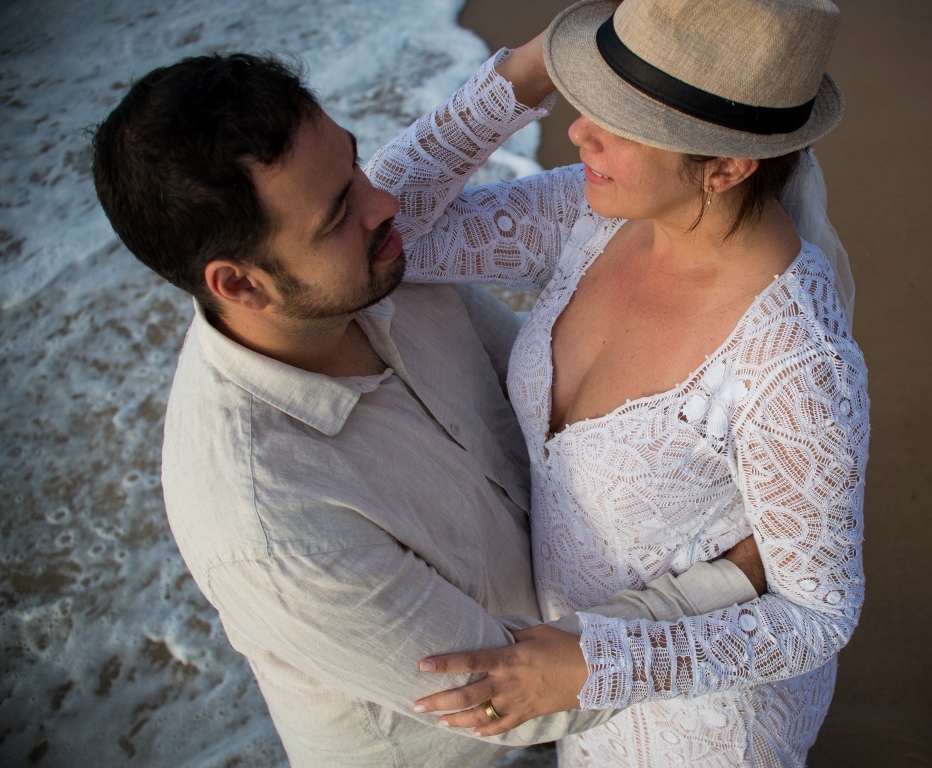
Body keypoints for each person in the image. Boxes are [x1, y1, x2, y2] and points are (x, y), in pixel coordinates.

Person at [90, 32, 767, 768]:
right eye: (338, 212)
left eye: (353, 164)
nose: (387, 203)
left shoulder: (369, 264)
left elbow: (551, 423)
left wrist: (543, 61)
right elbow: (497, 702)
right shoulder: (268, 525)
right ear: (241, 285)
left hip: (589, 639)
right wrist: (738, 577)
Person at [397, 0, 870, 766]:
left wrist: (595, 668)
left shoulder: (793, 357)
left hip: (704, 728)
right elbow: (381, 233)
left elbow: (818, 613)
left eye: (622, 120)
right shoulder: (600, 215)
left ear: (725, 167)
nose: (580, 128)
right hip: (571, 688)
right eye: (593, 95)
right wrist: (522, 74)